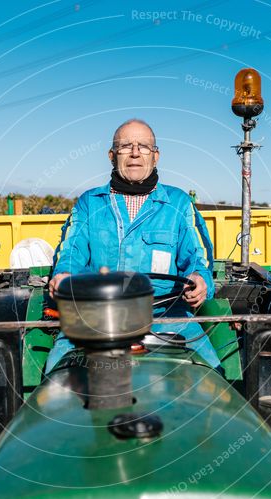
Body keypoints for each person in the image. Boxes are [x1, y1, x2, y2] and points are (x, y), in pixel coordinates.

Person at [44, 119, 220, 372]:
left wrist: (199, 278)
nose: (135, 152)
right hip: (97, 317)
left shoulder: (178, 203)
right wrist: (63, 276)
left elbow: (197, 256)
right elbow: (71, 249)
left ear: (155, 156)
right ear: (112, 155)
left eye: (144, 147)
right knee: (58, 381)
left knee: (212, 378)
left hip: (168, 317)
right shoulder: (89, 203)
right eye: (126, 146)